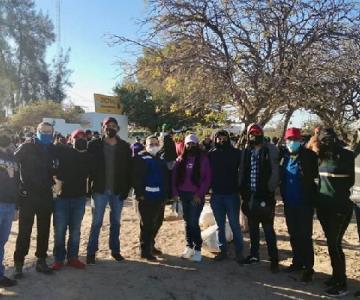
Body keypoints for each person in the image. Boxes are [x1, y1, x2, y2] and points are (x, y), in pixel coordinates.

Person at [86, 117, 132, 264]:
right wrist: (89, 188)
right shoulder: (94, 145)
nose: (110, 128)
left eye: (113, 125)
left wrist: (126, 189)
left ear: (117, 128)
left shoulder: (124, 146)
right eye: (108, 125)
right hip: (99, 190)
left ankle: (115, 250)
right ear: (103, 128)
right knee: (96, 222)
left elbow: (127, 169)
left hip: (118, 190)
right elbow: (88, 168)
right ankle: (91, 252)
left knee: (116, 222)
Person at [14, 122, 56, 277]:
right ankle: (19, 263)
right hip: (28, 196)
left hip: (46, 195)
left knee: (44, 230)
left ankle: (41, 260)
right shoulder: (26, 147)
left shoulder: (53, 149)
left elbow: (57, 168)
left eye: (49, 132)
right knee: (24, 231)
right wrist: (18, 188)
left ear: (52, 133)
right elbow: (13, 163)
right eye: (43, 131)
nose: (46, 134)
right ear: (37, 132)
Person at [316, 128, 354, 297]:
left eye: (328, 139)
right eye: (323, 139)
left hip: (339, 208)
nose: (325, 142)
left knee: (335, 244)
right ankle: (335, 276)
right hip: (323, 207)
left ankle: (342, 283)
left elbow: (351, 181)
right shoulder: (321, 157)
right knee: (331, 244)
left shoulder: (346, 156)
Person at [240, 123, 280, 273]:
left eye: (256, 133)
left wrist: (269, 190)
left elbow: (276, 172)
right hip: (250, 197)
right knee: (253, 229)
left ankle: (274, 259)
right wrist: (243, 191)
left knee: (268, 229)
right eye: (251, 133)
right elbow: (243, 172)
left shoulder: (270, 150)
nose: (253, 135)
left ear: (261, 134)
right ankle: (254, 255)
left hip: (266, 198)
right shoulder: (247, 151)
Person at [280, 128, 318, 282]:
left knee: (305, 236)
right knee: (293, 234)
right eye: (288, 139)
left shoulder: (309, 156)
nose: (291, 142)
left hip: (304, 203)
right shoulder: (285, 156)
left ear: (300, 140)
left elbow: (315, 178)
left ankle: (308, 268)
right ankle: (297, 262)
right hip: (289, 203)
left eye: (294, 140)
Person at [52, 129, 92, 270]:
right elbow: (51, 151)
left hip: (79, 198)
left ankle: (73, 258)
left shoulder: (88, 156)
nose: (80, 139)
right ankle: (58, 259)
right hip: (61, 199)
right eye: (77, 137)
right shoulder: (63, 151)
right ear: (71, 139)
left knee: (75, 231)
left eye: (83, 137)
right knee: (60, 231)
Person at [172, 134, 211, 262]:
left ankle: (198, 248)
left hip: (196, 196)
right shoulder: (180, 160)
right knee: (187, 222)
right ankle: (189, 247)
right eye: (188, 143)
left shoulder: (203, 159)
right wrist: (176, 194)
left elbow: (207, 178)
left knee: (193, 222)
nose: (190, 146)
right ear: (185, 145)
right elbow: (174, 178)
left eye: (193, 143)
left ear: (197, 144)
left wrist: (199, 194)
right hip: (183, 194)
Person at [208, 130, 244, 264]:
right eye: (218, 138)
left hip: (232, 194)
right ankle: (223, 251)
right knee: (219, 225)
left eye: (224, 138)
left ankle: (239, 251)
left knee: (235, 224)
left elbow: (242, 171)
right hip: (216, 195)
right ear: (215, 139)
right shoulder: (211, 154)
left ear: (228, 139)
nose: (221, 140)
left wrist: (240, 187)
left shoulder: (236, 153)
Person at [132, 135, 169, 261]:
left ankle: (150, 245)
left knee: (157, 222)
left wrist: (166, 194)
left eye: (155, 143)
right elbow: (135, 176)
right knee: (146, 224)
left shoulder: (160, 158)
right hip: (145, 198)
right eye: (150, 144)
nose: (153, 146)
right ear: (145, 145)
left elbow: (165, 177)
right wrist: (139, 193)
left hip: (159, 197)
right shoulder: (141, 158)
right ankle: (145, 251)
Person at [0, 129, 19, 287]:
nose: (5, 136)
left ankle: (0, 276)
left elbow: (16, 183)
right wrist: (7, 175)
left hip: (9, 204)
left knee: (2, 242)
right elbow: (10, 178)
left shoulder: (12, 156)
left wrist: (16, 207)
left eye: (7, 134)